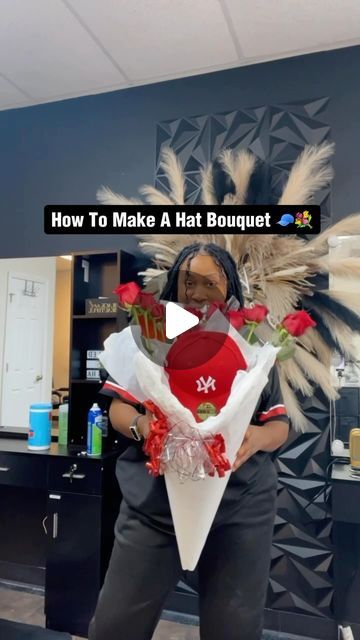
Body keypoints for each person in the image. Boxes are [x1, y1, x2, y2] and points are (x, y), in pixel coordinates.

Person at [88, 242, 289, 640]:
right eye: (188, 283)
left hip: (240, 510)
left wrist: (255, 437)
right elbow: (118, 410)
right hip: (153, 507)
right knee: (114, 628)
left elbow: (278, 425)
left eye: (209, 284)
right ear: (175, 287)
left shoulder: (250, 343)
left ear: (229, 287)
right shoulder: (150, 336)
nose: (197, 294)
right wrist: (145, 428)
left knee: (234, 631)